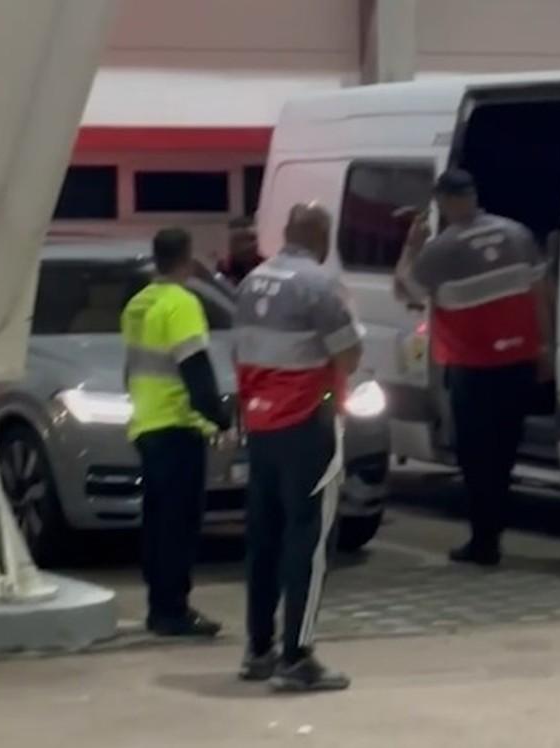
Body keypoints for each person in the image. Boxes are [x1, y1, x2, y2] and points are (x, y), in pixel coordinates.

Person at [394, 169, 554, 567]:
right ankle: (494, 530)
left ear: (443, 201)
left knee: (475, 457)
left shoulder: (442, 249)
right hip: (517, 360)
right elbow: (540, 293)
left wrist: (412, 246)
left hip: (473, 368)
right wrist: (545, 347)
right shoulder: (517, 234)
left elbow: (406, 291)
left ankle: (484, 542)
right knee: (504, 453)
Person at [235, 203, 363, 692]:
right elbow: (348, 355)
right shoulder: (319, 285)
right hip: (308, 423)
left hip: (261, 423)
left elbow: (241, 351)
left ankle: (258, 650)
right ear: (322, 235)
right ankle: (297, 656)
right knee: (308, 540)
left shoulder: (253, 281)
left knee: (264, 537)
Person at [121, 227, 231, 637]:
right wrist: (220, 419)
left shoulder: (138, 303)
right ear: (187, 258)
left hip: (147, 423)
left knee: (157, 522)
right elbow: (195, 370)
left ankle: (159, 605)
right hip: (177, 426)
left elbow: (132, 367)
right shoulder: (181, 304)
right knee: (180, 526)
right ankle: (173, 611)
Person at [219, 215, 263, 285]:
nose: (252, 244)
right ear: (232, 243)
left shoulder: (265, 267)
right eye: (242, 240)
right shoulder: (222, 269)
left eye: (253, 238)